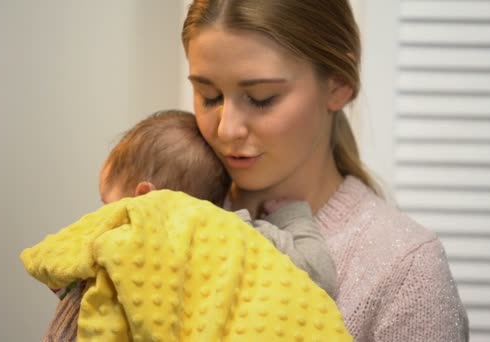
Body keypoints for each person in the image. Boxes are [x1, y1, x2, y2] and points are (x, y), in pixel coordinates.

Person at [181, 0, 469, 341]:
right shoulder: (172, 218)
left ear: (338, 85)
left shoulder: (405, 270)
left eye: (261, 97)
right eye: (209, 95)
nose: (227, 129)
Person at [42, 109, 338, 341]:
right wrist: (293, 216)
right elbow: (320, 273)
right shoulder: (244, 237)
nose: (103, 217)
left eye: (108, 204)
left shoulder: (116, 248)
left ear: (144, 197)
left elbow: (66, 296)